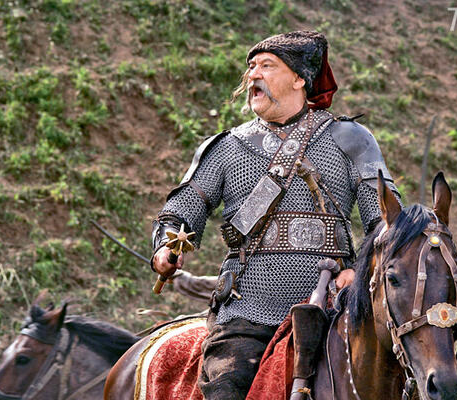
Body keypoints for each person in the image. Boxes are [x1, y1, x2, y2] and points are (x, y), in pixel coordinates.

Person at [150, 31, 400, 399]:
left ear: (299, 79)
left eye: (267, 66)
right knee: (226, 389)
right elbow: (183, 207)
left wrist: (360, 271)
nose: (253, 74)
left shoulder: (351, 139)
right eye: (251, 67)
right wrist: (165, 247)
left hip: (336, 303)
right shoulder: (227, 147)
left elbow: (386, 222)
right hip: (248, 309)